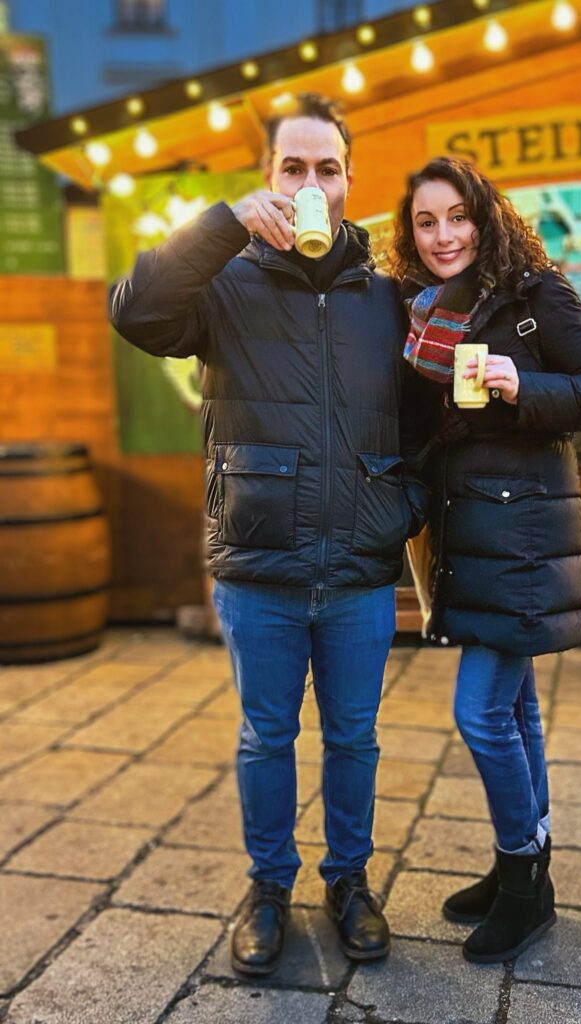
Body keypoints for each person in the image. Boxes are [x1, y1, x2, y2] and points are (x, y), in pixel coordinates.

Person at [110, 94, 426, 974]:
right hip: (258, 562)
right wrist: (218, 226)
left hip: (361, 564)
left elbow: (428, 414)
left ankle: (351, 881)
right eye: (295, 168)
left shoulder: (386, 294)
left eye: (328, 168)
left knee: (355, 738)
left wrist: (404, 507)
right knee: (264, 736)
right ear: (269, 178)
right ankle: (268, 888)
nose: (311, 182)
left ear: (349, 181)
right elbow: (133, 312)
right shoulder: (223, 280)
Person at [390, 157, 581, 963]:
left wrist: (519, 384)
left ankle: (526, 884)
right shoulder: (420, 310)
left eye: (457, 216)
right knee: (516, 708)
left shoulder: (535, 296)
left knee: (481, 713)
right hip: (468, 537)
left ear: (485, 217)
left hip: (521, 534)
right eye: (427, 222)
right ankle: (519, 866)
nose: (443, 235)